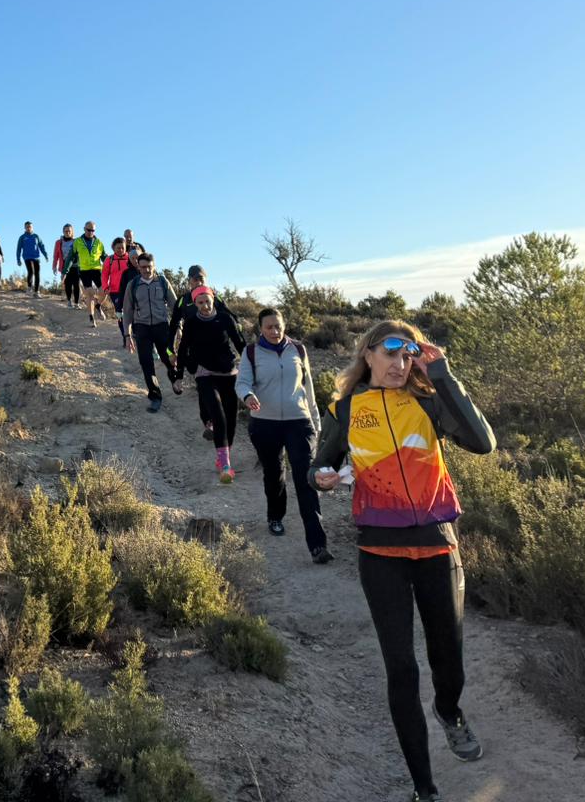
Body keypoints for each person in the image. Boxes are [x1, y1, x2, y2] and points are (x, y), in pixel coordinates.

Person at [310, 320, 496, 802]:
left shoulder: (429, 401)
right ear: (367, 355)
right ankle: (424, 788)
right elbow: (320, 463)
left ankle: (449, 711)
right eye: (390, 353)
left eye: (407, 355)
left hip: (437, 543)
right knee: (402, 669)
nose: (399, 363)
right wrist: (322, 477)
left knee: (448, 657)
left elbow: (483, 442)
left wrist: (443, 375)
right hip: (380, 552)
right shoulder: (346, 409)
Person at [237, 307, 331, 561]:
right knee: (274, 473)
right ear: (260, 329)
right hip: (264, 423)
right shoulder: (251, 352)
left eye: (278, 326)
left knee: (306, 478)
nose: (275, 331)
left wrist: (316, 422)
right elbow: (242, 382)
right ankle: (275, 516)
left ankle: (318, 544)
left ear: (284, 326)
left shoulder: (298, 350)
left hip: (298, 421)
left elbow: (308, 387)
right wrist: (248, 395)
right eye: (269, 327)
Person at [177, 285, 247, 483]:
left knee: (231, 418)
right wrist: (178, 376)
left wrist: (253, 368)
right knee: (218, 414)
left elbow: (240, 343)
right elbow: (183, 349)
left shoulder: (225, 319)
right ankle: (225, 465)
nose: (205, 306)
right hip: (204, 372)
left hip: (228, 372)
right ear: (195, 303)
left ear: (213, 299)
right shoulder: (191, 323)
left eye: (207, 301)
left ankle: (224, 455)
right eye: (200, 303)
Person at [122, 251, 177, 408]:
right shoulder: (133, 285)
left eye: (149, 267)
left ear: (154, 266)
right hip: (142, 329)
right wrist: (127, 335)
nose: (146, 270)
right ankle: (155, 396)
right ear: (138, 267)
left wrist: (179, 327)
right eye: (143, 267)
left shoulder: (162, 282)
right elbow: (127, 311)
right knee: (146, 363)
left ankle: (175, 380)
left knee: (168, 357)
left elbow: (174, 306)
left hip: (162, 327)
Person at [72, 222, 106, 324]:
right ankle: (91, 317)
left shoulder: (99, 242)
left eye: (93, 230)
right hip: (84, 271)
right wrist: (65, 270)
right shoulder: (77, 241)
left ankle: (98, 305)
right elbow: (71, 256)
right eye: (88, 230)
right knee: (90, 294)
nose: (91, 232)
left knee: (104, 291)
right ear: (84, 229)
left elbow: (104, 257)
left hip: (97, 270)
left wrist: (111, 264)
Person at [100, 238, 130, 344]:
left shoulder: (130, 258)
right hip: (115, 292)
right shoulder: (109, 259)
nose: (120, 250)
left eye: (122, 248)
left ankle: (134, 335)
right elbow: (104, 274)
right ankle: (125, 337)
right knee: (120, 314)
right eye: (118, 248)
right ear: (113, 248)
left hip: (129, 291)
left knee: (132, 314)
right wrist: (105, 287)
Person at [16, 222, 47, 297]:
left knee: (37, 273)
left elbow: (41, 246)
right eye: (27, 227)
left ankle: (36, 292)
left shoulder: (36, 236)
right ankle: (29, 287)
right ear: (25, 228)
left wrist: (45, 255)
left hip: (36, 257)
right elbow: (18, 249)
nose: (28, 228)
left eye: (30, 227)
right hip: (27, 257)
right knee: (31, 271)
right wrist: (18, 259)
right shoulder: (22, 237)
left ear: (32, 227)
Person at [53, 224, 79, 308]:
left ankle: (76, 303)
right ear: (63, 232)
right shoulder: (58, 242)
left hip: (75, 266)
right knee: (68, 284)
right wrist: (54, 266)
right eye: (66, 231)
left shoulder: (76, 241)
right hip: (64, 266)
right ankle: (69, 301)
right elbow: (56, 255)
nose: (67, 233)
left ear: (72, 232)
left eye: (69, 231)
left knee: (76, 284)